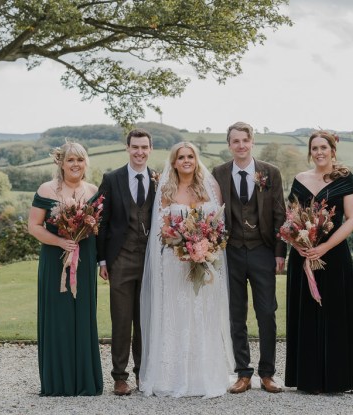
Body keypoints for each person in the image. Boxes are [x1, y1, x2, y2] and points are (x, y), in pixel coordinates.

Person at [139, 142, 235, 398]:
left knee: (203, 315)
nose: (186, 161)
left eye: (190, 156)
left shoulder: (210, 187)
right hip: (175, 263)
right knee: (178, 315)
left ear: (196, 158)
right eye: (181, 157)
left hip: (206, 262)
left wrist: (205, 248)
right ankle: (173, 376)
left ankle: (203, 375)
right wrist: (184, 247)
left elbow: (218, 226)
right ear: (174, 162)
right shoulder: (167, 190)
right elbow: (162, 230)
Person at [212, 121, 286, 394]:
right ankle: (243, 373)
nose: (241, 145)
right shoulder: (218, 173)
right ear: (229, 144)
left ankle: (268, 373)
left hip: (263, 251)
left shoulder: (270, 172)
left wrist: (280, 253)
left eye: (245, 140)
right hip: (229, 253)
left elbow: (280, 214)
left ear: (252, 142)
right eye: (235, 141)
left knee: (267, 312)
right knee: (236, 314)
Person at [284, 130, 353, 393]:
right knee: (305, 312)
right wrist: (300, 245)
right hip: (302, 256)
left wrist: (325, 247)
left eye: (323, 148)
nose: (319, 152)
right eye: (314, 148)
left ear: (332, 150)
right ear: (310, 151)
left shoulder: (345, 178)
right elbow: (290, 219)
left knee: (334, 313)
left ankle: (336, 379)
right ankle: (306, 379)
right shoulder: (299, 179)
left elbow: (352, 218)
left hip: (334, 255)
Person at [28, 141, 103, 396]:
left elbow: (98, 230)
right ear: (60, 163)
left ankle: (84, 380)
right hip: (54, 261)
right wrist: (61, 241)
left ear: (86, 164)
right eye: (70, 160)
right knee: (58, 317)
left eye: (80, 160)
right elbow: (34, 226)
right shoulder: (46, 190)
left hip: (84, 263)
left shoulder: (93, 191)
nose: (75, 165)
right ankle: (58, 382)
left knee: (83, 316)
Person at [97, 129, 156, 396]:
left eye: (144, 147)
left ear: (150, 149)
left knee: (145, 320)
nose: (140, 152)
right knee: (121, 320)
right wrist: (102, 260)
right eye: (135, 147)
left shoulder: (159, 179)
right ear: (127, 148)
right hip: (120, 258)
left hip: (152, 259)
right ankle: (120, 377)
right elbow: (102, 221)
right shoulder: (112, 179)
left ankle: (143, 374)